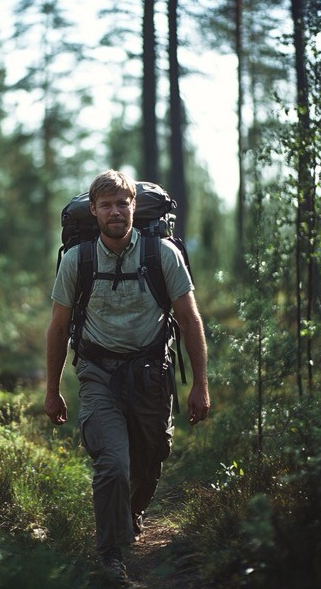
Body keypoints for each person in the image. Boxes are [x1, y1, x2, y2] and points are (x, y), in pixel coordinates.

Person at [45, 169, 210, 586]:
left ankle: (131, 514)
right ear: (94, 211)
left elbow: (190, 321)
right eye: (106, 205)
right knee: (113, 465)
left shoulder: (162, 254)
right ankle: (111, 555)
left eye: (123, 203)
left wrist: (201, 385)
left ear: (134, 207)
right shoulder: (76, 260)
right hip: (98, 373)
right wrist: (52, 389)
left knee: (150, 461)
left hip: (152, 373)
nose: (115, 211)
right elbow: (58, 327)